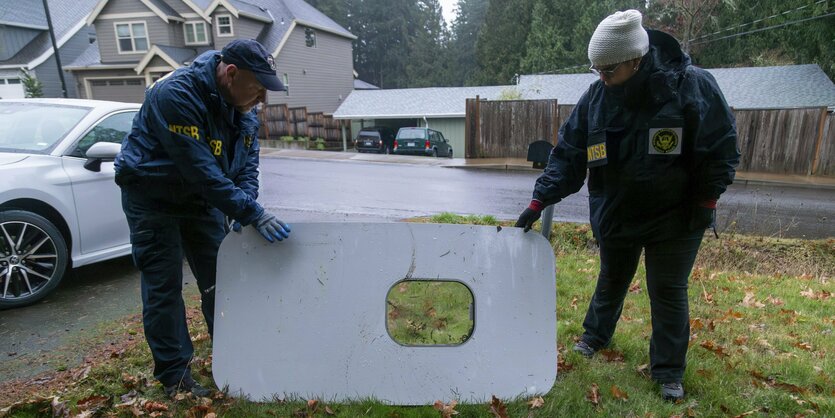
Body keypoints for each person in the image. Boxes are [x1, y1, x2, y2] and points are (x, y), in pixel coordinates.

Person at [515, 10, 739, 401]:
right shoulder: (597, 99)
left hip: (677, 216)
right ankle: (594, 337)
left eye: (609, 69)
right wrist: (540, 199)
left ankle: (668, 372)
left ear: (635, 60)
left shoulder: (691, 86)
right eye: (596, 69)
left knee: (667, 289)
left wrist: (706, 200)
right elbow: (568, 153)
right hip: (617, 212)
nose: (601, 78)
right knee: (612, 279)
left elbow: (720, 150)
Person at [115, 39, 292, 398]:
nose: (262, 100)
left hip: (200, 199)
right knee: (164, 286)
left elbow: (246, 166)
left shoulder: (244, 109)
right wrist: (251, 212)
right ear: (231, 74)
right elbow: (201, 170)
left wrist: (246, 206)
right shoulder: (175, 94)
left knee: (222, 281)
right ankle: (175, 376)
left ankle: (234, 357)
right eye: (257, 89)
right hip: (153, 196)